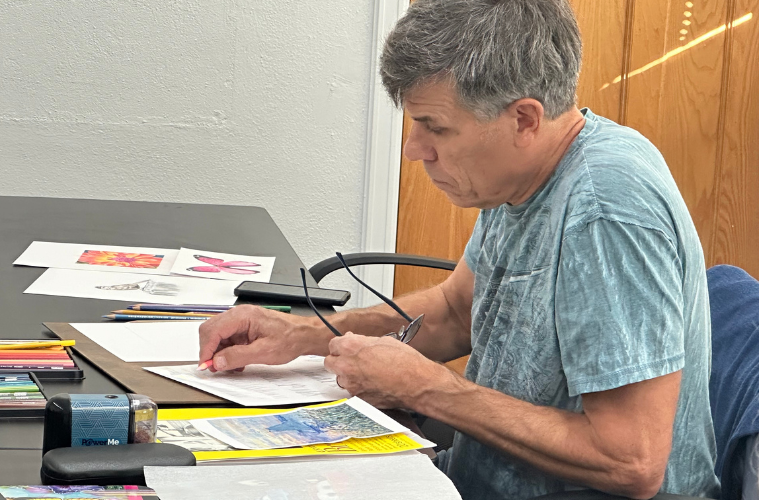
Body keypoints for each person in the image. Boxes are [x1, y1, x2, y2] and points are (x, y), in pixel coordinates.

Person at [199, 0, 720, 498]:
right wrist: (304, 335)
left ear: (524, 119)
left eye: (437, 128)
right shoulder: (518, 177)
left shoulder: (605, 212)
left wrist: (426, 390)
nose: (414, 150)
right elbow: (455, 312)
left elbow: (632, 460)